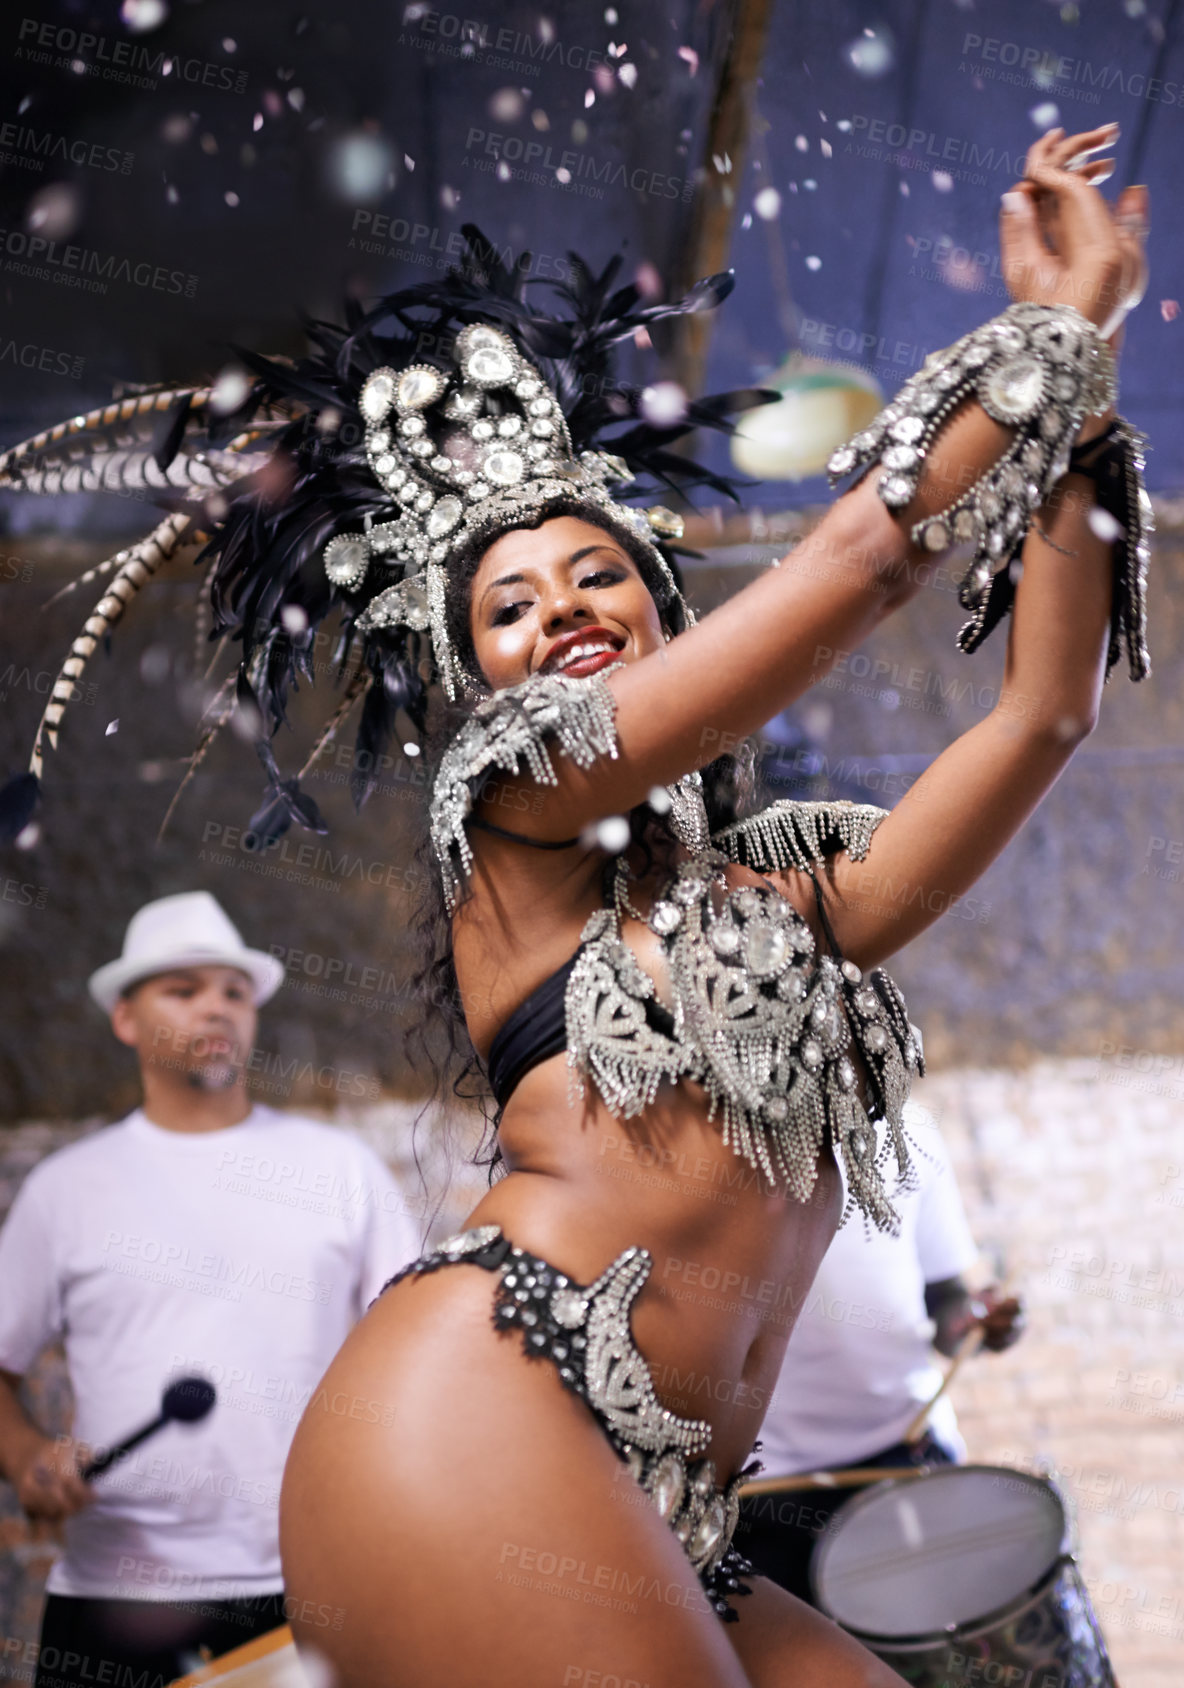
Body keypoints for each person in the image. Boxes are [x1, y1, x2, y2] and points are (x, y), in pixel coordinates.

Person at [0, 123, 1151, 1687]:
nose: (562, 613)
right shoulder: (516, 806)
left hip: (672, 1503)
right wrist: (1055, 325)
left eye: (596, 575)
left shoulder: (800, 889)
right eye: (510, 606)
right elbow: (869, 555)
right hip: (483, 1413)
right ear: (477, 674)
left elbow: (1042, 718)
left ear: (664, 611)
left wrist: (1079, 392)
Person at [0, 892, 421, 1688]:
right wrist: (27, 1460)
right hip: (111, 1606)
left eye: (234, 992)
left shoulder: (341, 1171)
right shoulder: (66, 1191)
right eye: (184, 990)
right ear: (125, 1020)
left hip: (311, 1596)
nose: (217, 1010)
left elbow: (420, 1358)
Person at [736, 1101, 1025, 1604]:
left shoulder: (908, 1129)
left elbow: (946, 1304)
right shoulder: (721, 1149)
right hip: (768, 1485)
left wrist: (973, 1324)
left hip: (909, 1450)